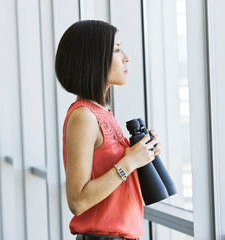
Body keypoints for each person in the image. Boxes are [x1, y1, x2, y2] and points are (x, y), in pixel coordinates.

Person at [55, 20, 161, 240]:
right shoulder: (83, 116)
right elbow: (77, 202)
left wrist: (142, 155)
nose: (126, 57)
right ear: (93, 59)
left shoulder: (102, 113)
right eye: (116, 49)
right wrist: (129, 162)